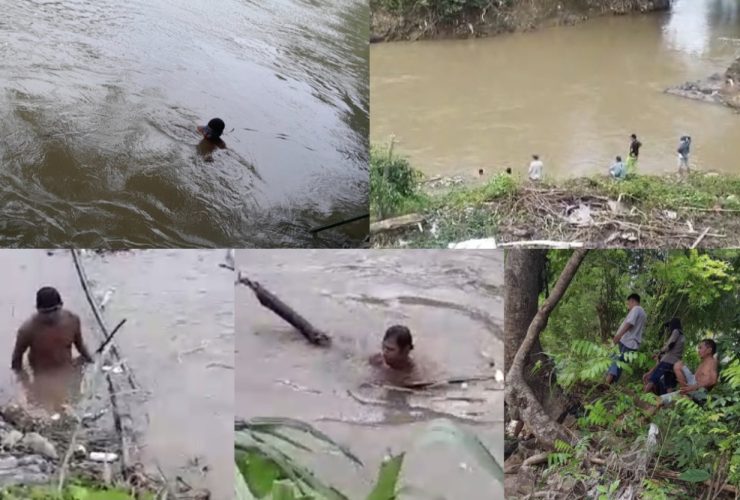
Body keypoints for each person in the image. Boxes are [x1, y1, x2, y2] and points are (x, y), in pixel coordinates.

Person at [11, 287, 94, 409]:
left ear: (61, 306)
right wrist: (26, 386)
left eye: (54, 311)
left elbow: (80, 345)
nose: (50, 316)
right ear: (38, 310)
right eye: (45, 312)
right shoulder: (27, 330)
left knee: (74, 405)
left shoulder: (72, 320)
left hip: (66, 371)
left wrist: (91, 361)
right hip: (42, 377)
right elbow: (16, 362)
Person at [659, 339, 718, 405]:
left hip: (699, 391)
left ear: (709, 350)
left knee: (660, 401)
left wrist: (695, 387)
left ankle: (686, 395)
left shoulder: (712, 361)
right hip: (692, 385)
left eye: (700, 348)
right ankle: (686, 393)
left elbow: (713, 380)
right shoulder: (704, 362)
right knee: (678, 365)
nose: (698, 351)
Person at [605, 293, 647, 385]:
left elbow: (630, 323)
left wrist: (618, 336)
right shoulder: (643, 313)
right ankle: (611, 386)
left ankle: (607, 382)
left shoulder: (636, 309)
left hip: (627, 341)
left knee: (614, 360)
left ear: (632, 301)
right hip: (633, 344)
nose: (628, 306)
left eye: (628, 304)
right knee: (620, 365)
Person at [642, 318, 684, 395]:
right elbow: (674, 350)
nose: (669, 328)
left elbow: (670, 345)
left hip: (667, 360)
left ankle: (643, 395)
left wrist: (661, 350)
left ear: (673, 325)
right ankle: (669, 403)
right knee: (669, 384)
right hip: (674, 363)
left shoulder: (676, 331)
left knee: (653, 378)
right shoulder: (682, 336)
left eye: (670, 325)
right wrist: (660, 354)